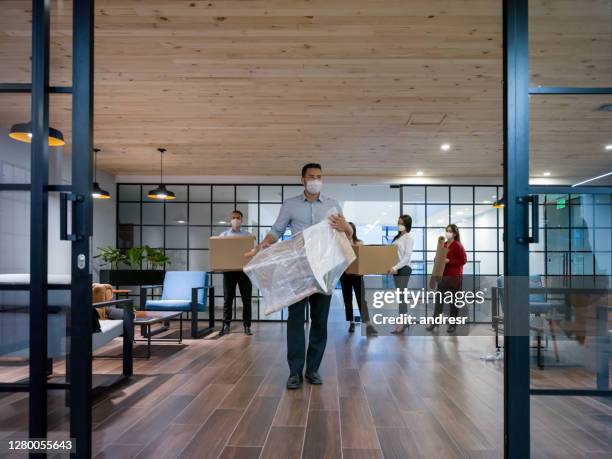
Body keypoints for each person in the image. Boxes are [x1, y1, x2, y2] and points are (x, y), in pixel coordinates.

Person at [258, 163, 353, 390]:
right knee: (295, 321)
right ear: (302, 179)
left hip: (325, 271)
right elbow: (276, 231)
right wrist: (265, 242)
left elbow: (347, 234)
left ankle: (312, 370)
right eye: (311, 176)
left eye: (319, 177)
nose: (315, 180)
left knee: (320, 323)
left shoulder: (332, 204)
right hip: (298, 271)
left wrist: (346, 227)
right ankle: (294, 373)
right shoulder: (290, 204)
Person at [426, 223, 467, 333]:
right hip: (442, 277)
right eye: (446, 230)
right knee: (439, 302)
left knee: (453, 303)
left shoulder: (458, 246)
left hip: (454, 278)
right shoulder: (443, 245)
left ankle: (452, 325)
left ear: (454, 233)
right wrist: (437, 259)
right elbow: (438, 258)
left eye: (450, 231)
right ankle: (434, 322)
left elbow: (463, 261)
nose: (447, 233)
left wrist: (450, 261)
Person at [339, 222, 378, 336]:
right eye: (346, 230)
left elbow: (364, 260)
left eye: (349, 230)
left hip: (357, 275)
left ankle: (368, 324)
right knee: (347, 299)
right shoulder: (341, 243)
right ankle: (351, 322)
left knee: (362, 299)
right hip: (345, 274)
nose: (348, 232)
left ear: (353, 231)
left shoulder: (359, 243)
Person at [219, 210, 253, 336]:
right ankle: (226, 325)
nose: (235, 220)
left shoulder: (247, 236)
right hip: (229, 271)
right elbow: (220, 252)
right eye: (233, 218)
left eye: (238, 218)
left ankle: (247, 326)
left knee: (246, 300)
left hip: (244, 271)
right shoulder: (223, 235)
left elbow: (252, 253)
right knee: (228, 299)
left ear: (242, 220)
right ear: (230, 219)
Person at [387, 215, 415, 335]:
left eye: (401, 223)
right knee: (400, 296)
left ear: (407, 225)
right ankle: (405, 320)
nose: (399, 225)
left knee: (402, 296)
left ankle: (402, 323)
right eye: (398, 222)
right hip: (396, 270)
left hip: (404, 269)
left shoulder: (409, 237)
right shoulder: (397, 237)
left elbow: (407, 257)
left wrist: (395, 267)